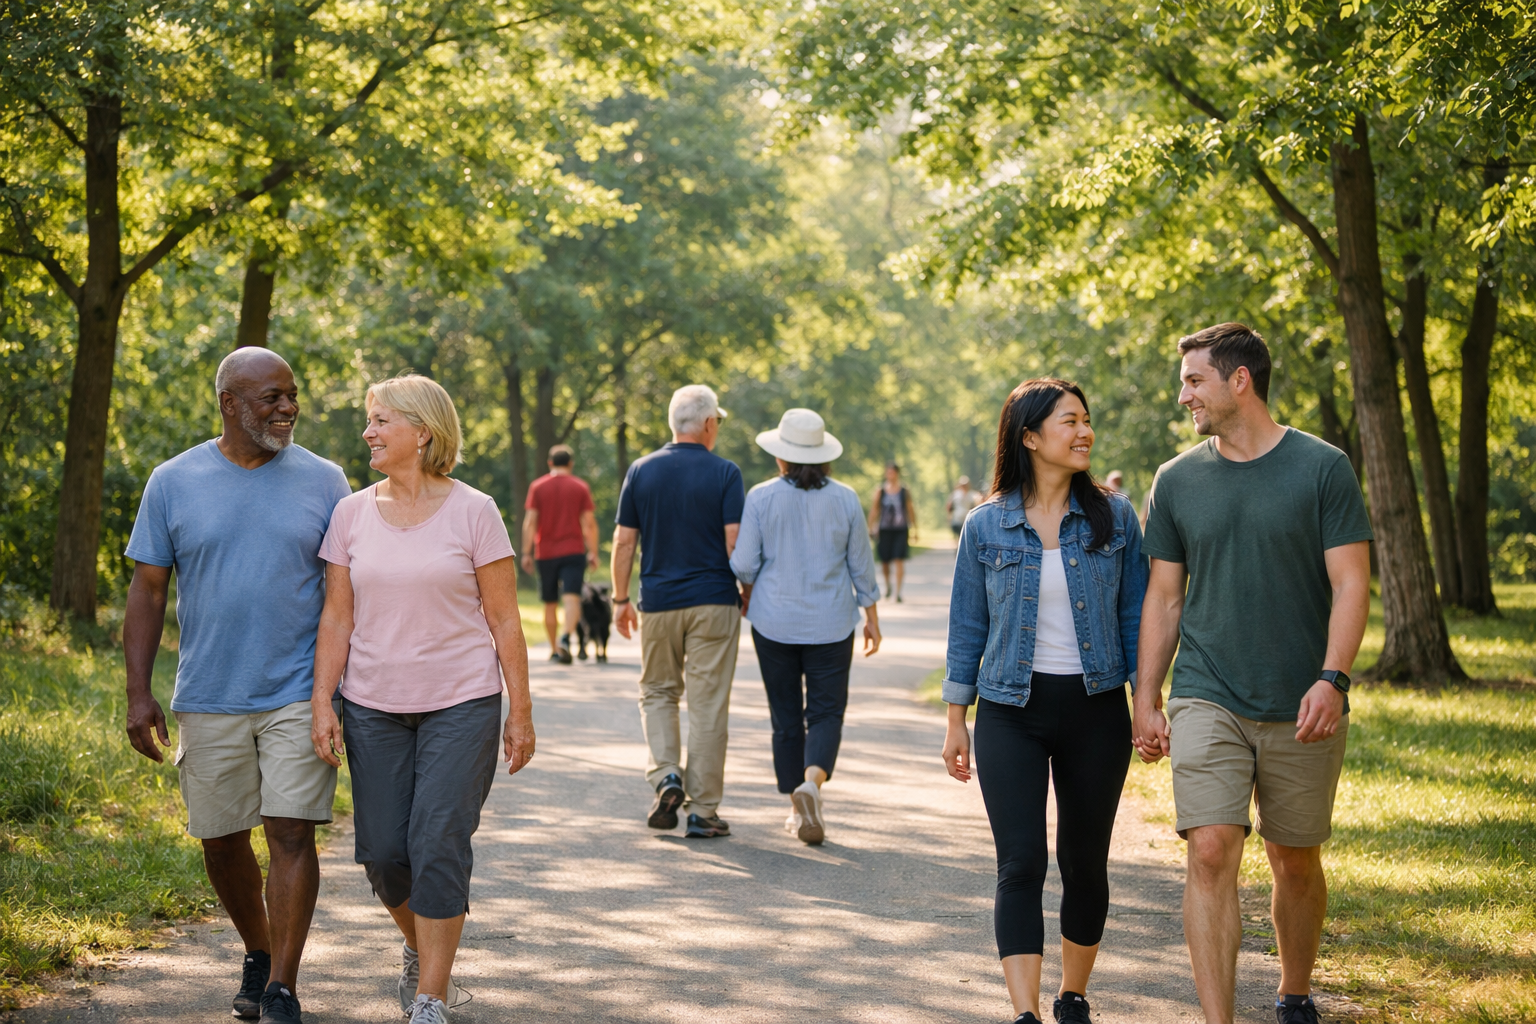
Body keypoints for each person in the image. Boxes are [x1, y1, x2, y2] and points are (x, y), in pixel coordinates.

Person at [1131, 323, 1372, 1024]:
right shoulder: (1176, 480)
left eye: (1194, 381)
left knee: (1294, 858)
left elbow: (1351, 583)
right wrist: (1147, 697)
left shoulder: (1322, 467)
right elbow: (1164, 598)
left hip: (1302, 698)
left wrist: (1333, 678)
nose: (1183, 396)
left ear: (1240, 381)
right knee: (1210, 849)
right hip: (1207, 691)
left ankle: (1294, 994)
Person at [123, 347, 352, 1024]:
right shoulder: (173, 481)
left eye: (292, 395)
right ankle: (258, 947)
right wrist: (138, 692)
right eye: (271, 397)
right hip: (209, 692)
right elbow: (148, 590)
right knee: (222, 840)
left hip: (298, 690)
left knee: (291, 831)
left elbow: (347, 591)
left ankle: (281, 985)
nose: (288, 408)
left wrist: (339, 692)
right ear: (229, 403)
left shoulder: (326, 481)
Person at [308, 374, 536, 1024]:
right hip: (373, 705)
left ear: (423, 432)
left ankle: (432, 996)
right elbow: (337, 618)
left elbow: (505, 619)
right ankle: (420, 946)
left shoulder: (475, 511)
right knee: (383, 853)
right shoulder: (350, 514)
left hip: (462, 703)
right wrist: (323, 700)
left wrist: (520, 712)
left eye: (381, 420)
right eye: (371, 420)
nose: (368, 432)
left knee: (438, 840)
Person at [941, 378, 1148, 1024]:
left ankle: (1073, 995)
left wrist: (1147, 700)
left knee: (1084, 863)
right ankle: (1025, 1012)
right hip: (1010, 712)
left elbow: (1137, 617)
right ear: (1030, 437)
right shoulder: (986, 524)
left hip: (1096, 710)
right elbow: (967, 626)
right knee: (1021, 863)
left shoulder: (1117, 517)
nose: (1085, 432)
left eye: (1087, 420)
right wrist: (956, 719)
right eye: (1070, 421)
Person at [729, 409, 883, 846]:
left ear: (781, 456)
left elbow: (745, 564)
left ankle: (795, 806)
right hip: (832, 624)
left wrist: (744, 584)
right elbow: (861, 565)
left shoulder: (761, 497)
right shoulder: (846, 499)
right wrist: (872, 617)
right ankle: (812, 783)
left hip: (773, 622)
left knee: (785, 716)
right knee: (826, 712)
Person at [611, 384, 745, 839]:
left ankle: (667, 774)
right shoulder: (726, 472)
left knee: (658, 692)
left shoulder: (641, 470)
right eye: (717, 422)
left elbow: (624, 542)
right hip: (714, 602)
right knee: (708, 705)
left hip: (659, 604)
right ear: (707, 423)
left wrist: (620, 599)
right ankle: (702, 811)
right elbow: (734, 541)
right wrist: (747, 589)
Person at [521, 444, 598, 664]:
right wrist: (593, 551)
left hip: (545, 552)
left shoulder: (537, 487)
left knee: (550, 602)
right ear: (571, 464)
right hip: (574, 551)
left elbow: (530, 522)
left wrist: (526, 552)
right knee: (572, 597)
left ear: (550, 463)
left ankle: (555, 649)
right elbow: (589, 524)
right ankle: (565, 637)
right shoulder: (580, 487)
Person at [867, 461, 917, 601]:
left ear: (897, 473)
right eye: (888, 472)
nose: (890, 474)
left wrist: (915, 529)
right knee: (885, 561)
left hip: (901, 529)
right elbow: (875, 510)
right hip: (884, 530)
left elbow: (910, 509)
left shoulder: (904, 490)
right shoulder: (880, 491)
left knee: (899, 559)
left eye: (893, 472)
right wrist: (869, 527)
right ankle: (888, 586)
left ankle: (898, 592)